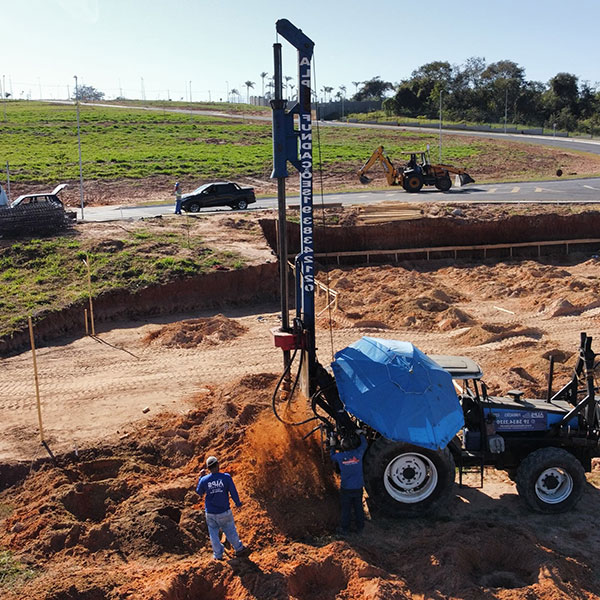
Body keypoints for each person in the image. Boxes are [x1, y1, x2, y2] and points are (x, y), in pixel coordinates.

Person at [196, 455, 247, 560]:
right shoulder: (226, 477)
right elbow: (233, 492)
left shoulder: (204, 480)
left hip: (210, 512)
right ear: (218, 465)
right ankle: (238, 548)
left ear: (208, 468)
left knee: (213, 533)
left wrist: (201, 478)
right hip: (224, 511)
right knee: (230, 529)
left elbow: (199, 492)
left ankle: (218, 555)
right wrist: (237, 503)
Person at [330, 431, 367, 535]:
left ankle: (345, 529)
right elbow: (364, 444)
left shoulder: (340, 457)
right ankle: (360, 527)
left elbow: (332, 456)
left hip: (346, 488)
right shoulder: (358, 453)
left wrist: (332, 444)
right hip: (358, 487)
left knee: (346, 509)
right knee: (358, 507)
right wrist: (361, 434)